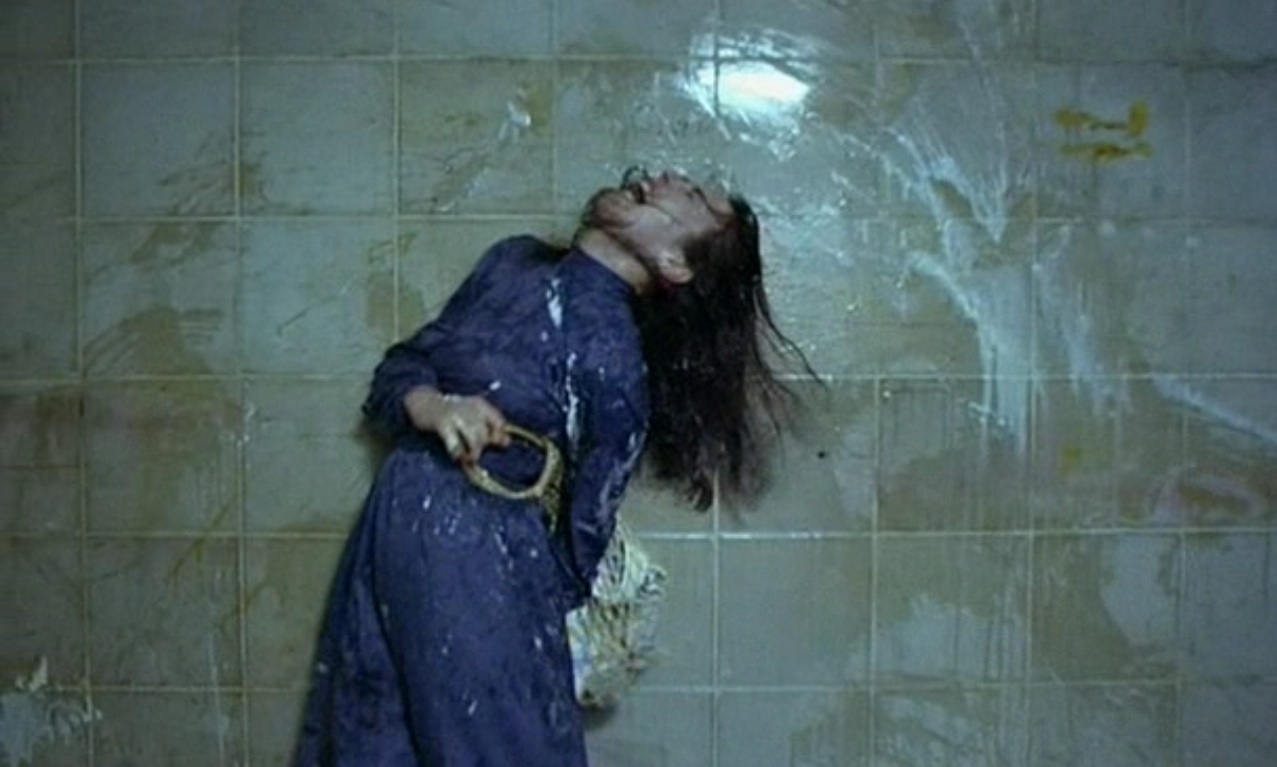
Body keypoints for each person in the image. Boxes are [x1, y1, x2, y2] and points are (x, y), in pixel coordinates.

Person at [294, 168, 808, 766]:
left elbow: (580, 543)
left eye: (692, 195)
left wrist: (517, 607)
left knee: (499, 746)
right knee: (370, 736)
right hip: (393, 527)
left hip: (483, 560)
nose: (666, 176)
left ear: (675, 263)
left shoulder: (616, 367)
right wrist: (432, 406)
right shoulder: (510, 263)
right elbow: (402, 368)